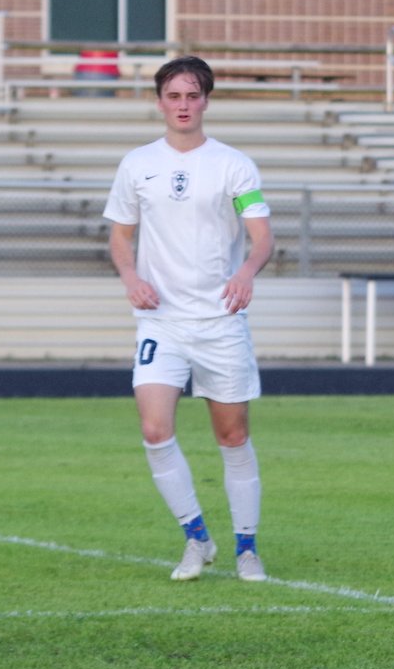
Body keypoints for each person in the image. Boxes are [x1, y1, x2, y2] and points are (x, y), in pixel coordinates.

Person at [104, 55, 274, 584]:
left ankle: (247, 548)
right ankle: (197, 538)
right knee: (154, 429)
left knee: (232, 435)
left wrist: (246, 272)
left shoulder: (233, 165)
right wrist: (130, 277)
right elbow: (120, 236)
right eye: (174, 96)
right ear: (159, 102)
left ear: (206, 101)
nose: (183, 105)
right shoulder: (137, 164)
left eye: (192, 96)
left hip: (220, 321)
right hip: (161, 321)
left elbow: (262, 237)